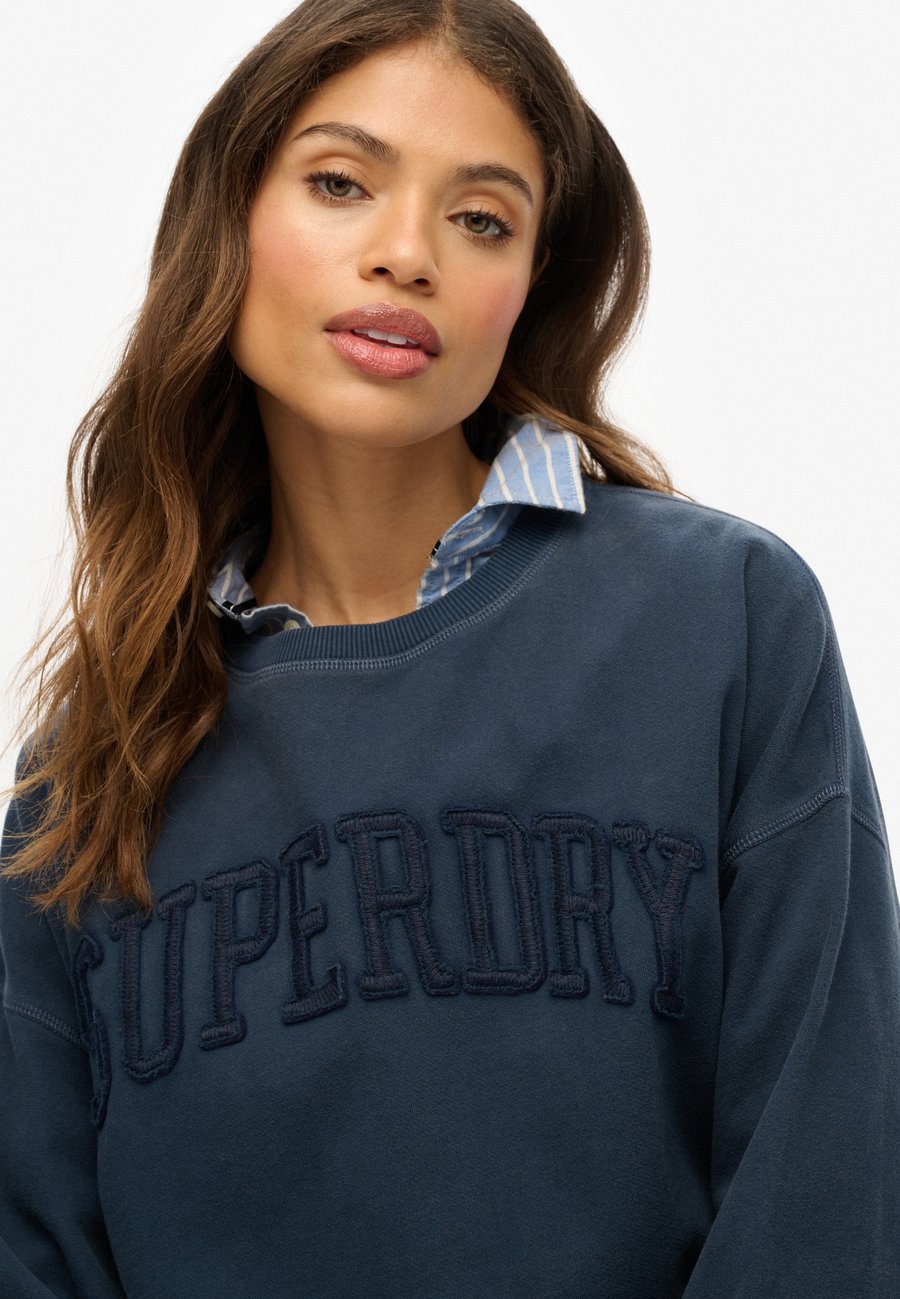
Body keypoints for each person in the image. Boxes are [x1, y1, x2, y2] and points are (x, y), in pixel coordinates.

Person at [1, 0, 897, 1294]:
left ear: (529, 284)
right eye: (340, 183)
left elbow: (827, 1183)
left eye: (482, 219)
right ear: (227, 220)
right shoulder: (89, 774)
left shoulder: (725, 623)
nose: (406, 254)